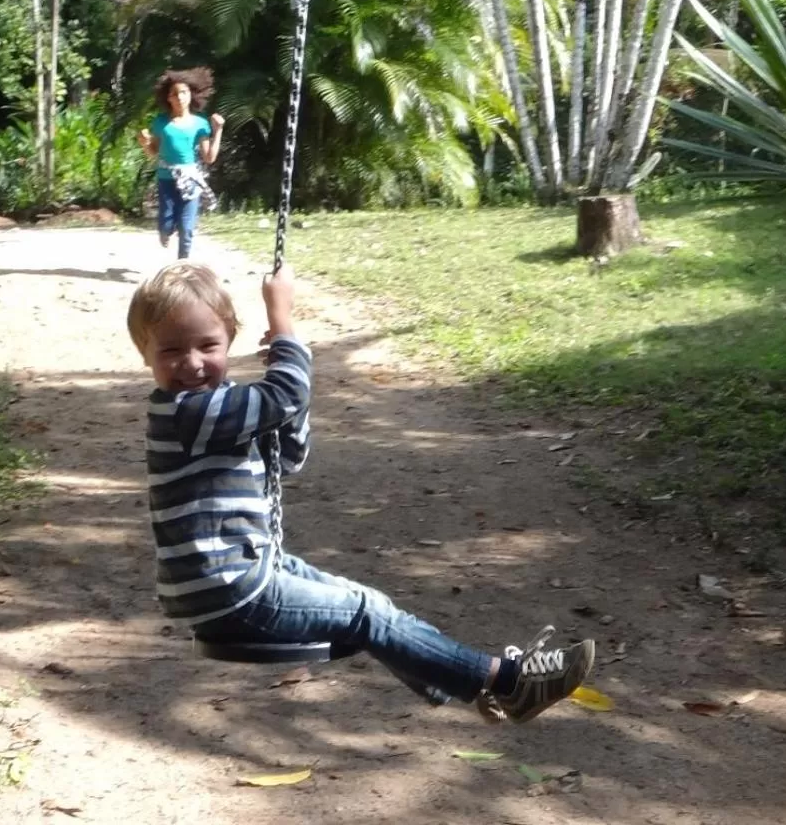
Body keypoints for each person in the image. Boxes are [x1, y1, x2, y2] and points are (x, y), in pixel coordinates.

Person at [126, 260, 596, 724]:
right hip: (230, 588)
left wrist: (289, 391)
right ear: (145, 353)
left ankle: (459, 680)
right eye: (170, 351)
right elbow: (286, 393)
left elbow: (287, 456)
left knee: (369, 601)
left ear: (230, 340)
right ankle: (508, 682)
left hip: (246, 571)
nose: (190, 363)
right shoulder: (184, 412)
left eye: (207, 345)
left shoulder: (224, 406)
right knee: (365, 613)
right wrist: (284, 324)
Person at [137, 67, 224, 260]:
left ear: (190, 95)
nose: (179, 97)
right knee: (166, 224)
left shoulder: (200, 123)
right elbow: (153, 152)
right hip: (166, 178)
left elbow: (209, 157)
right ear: (168, 98)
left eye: (183, 92)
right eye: (174, 94)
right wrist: (145, 143)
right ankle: (164, 231)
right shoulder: (161, 123)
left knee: (187, 226)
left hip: (190, 179)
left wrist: (217, 131)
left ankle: (182, 264)